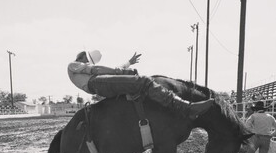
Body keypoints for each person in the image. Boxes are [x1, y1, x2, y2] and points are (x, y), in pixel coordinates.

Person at [67, 50, 214, 119]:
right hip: (96, 83)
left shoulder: (83, 69)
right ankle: (185, 107)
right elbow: (97, 69)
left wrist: (128, 64)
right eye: (87, 59)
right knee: (143, 81)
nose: (87, 61)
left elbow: (108, 74)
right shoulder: (73, 65)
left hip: (100, 84)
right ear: (82, 56)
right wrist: (121, 71)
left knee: (136, 81)